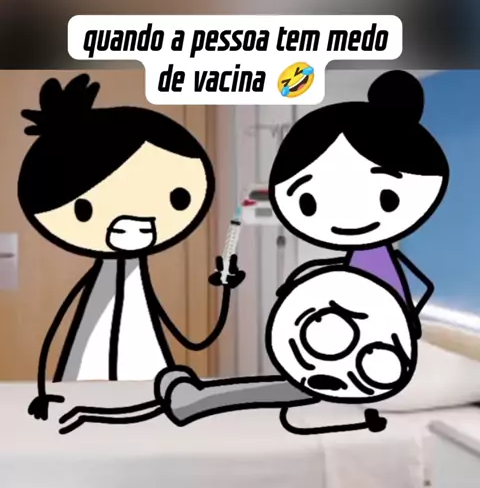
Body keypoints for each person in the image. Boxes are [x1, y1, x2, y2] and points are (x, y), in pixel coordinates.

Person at [59, 70, 448, 436]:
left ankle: (194, 398)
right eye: (309, 202)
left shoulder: (386, 274)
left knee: (283, 388)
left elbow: (392, 303)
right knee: (284, 386)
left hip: (356, 360)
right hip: (338, 350)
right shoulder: (367, 262)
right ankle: (193, 398)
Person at [19, 73, 244, 423]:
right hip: (82, 395)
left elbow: (196, 339)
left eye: (178, 198)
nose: (136, 224)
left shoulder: (137, 284)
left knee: (147, 394)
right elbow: (58, 331)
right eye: (85, 209)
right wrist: (44, 393)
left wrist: (226, 287)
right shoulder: (98, 285)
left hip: (148, 395)